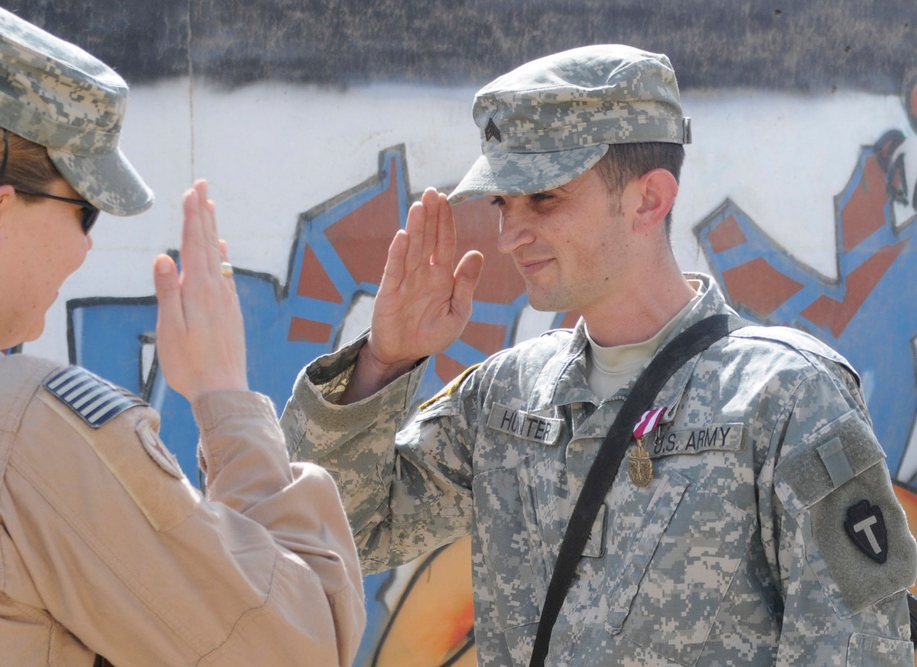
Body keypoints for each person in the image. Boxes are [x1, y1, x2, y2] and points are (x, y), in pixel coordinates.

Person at [281, 44, 917, 666]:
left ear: (648, 199)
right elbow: (342, 535)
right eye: (504, 202)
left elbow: (862, 648)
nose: (509, 234)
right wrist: (382, 364)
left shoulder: (787, 397)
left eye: (545, 197)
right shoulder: (507, 397)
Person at [0, 1, 364, 664]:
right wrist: (224, 398)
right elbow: (294, 647)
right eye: (85, 211)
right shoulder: (29, 435)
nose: (84, 251)